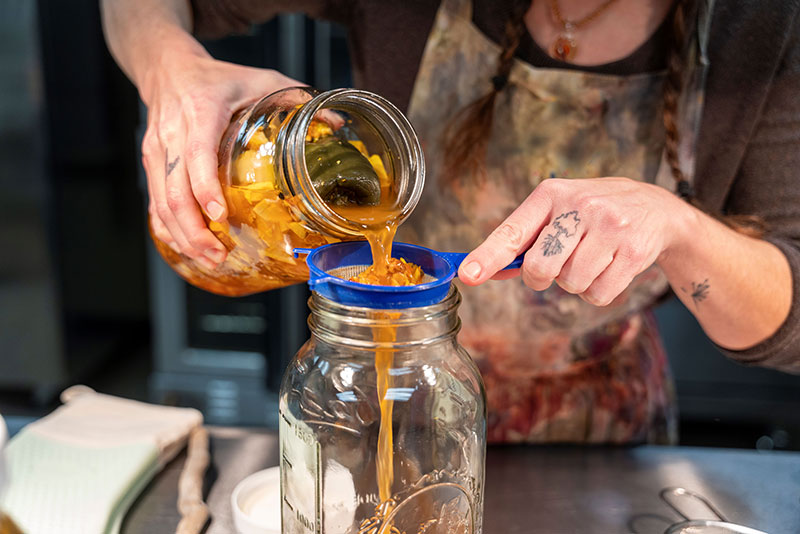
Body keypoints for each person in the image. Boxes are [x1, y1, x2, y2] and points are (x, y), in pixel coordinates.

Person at [101, 0, 800, 444]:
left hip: (598, 426)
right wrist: (171, 69)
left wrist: (680, 227)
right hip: (377, 394)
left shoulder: (761, 24)